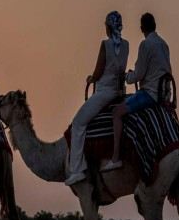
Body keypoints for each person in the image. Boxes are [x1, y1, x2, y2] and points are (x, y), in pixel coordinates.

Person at [102, 12, 172, 172]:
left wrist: (127, 76)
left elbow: (139, 74)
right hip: (164, 94)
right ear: (155, 26)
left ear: (142, 28)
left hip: (150, 94)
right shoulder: (164, 44)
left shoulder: (145, 45)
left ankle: (116, 157)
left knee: (116, 112)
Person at [64, 11, 128, 186]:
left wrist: (91, 78)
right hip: (119, 92)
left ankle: (77, 169)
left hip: (104, 92)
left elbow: (99, 71)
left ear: (108, 27)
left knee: (78, 123)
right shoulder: (126, 45)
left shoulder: (105, 45)